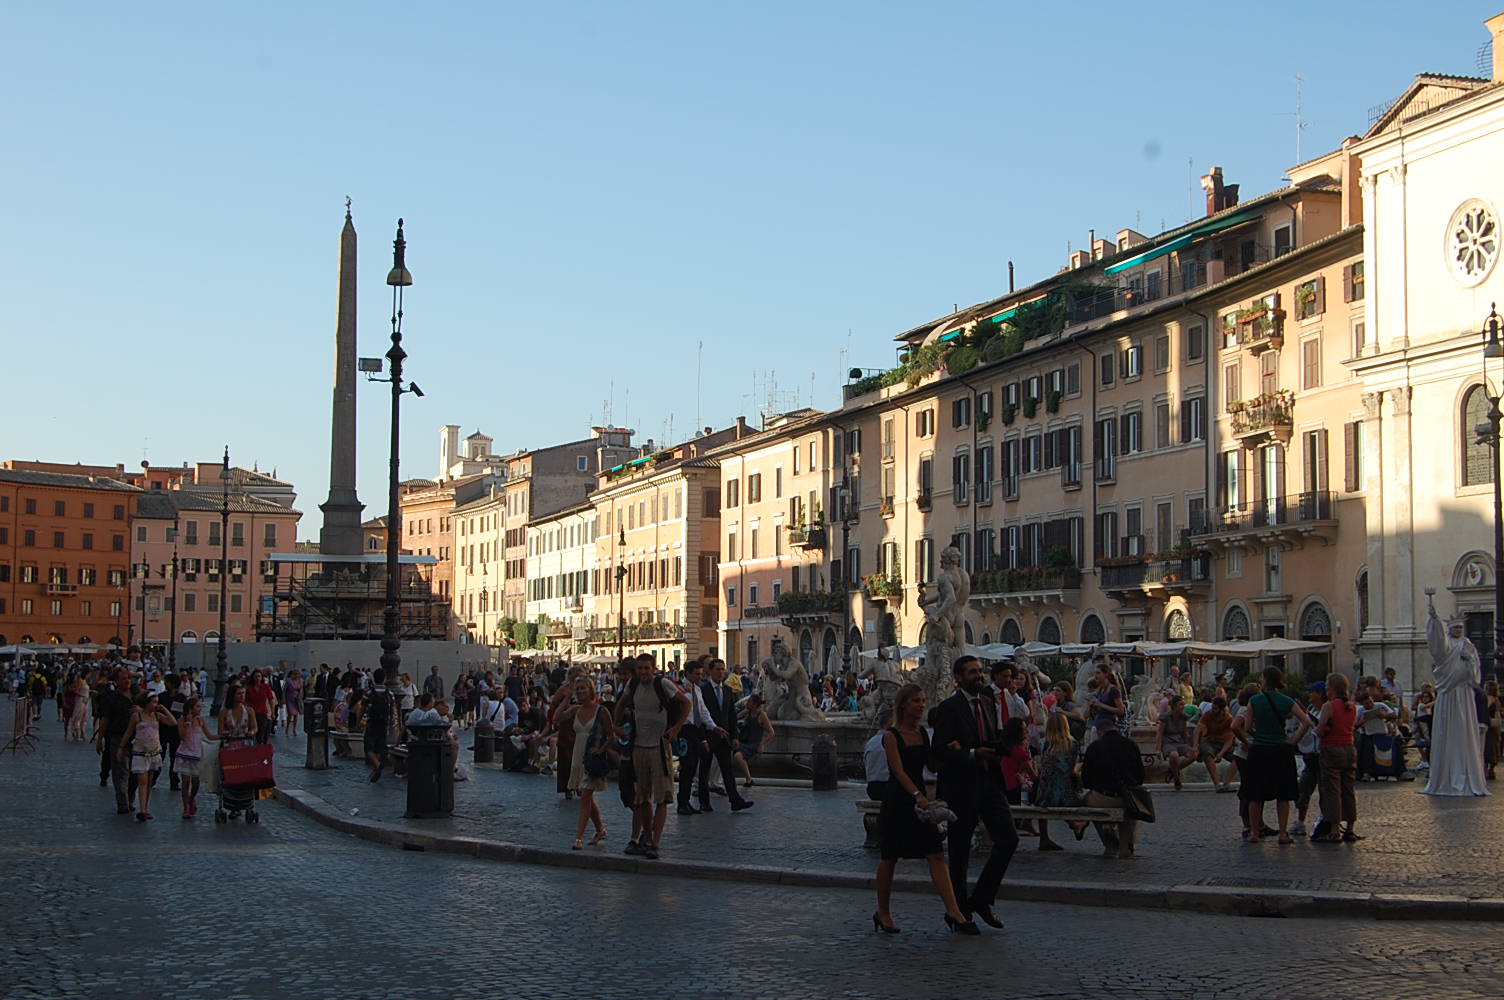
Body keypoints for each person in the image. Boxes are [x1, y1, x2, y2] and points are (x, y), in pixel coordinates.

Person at [873, 683, 973, 935]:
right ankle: (883, 912)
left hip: (920, 804)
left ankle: (954, 912)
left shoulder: (922, 734)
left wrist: (948, 752)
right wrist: (917, 794)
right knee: (889, 857)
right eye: (916, 700)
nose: (921, 705)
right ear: (904, 704)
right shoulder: (891, 736)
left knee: (936, 853)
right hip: (898, 801)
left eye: (923, 700)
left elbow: (932, 766)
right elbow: (897, 770)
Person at [928, 654, 1017, 931]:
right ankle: (959, 911)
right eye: (971, 672)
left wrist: (1001, 747)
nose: (978, 676)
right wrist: (970, 753)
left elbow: (987, 737)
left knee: (1008, 839)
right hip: (960, 785)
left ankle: (982, 898)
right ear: (958, 678)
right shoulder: (948, 708)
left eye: (980, 671)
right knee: (960, 850)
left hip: (989, 781)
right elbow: (938, 752)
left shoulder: (989, 702)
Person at [613, 653, 689, 860]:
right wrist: (616, 727)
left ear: (654, 668)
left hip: (659, 745)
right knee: (641, 796)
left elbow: (685, 703)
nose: (643, 672)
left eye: (647, 668)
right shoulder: (633, 684)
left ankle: (655, 842)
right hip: (638, 745)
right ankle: (645, 837)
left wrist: (676, 728)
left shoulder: (663, 684)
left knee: (662, 797)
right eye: (640, 669)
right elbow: (620, 704)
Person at [1236, 666, 1312, 844]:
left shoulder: (1254, 700)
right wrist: (1293, 741)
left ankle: (1255, 832)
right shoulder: (1286, 700)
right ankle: (1283, 833)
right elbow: (1306, 722)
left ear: (1265, 680)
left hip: (1259, 750)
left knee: (1256, 794)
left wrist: (1257, 734)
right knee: (1283, 794)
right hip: (1281, 749)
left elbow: (1246, 728)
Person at [1421, 606, 1491, 796]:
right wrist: (1434, 620)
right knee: (1447, 732)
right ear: (1449, 629)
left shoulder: (1469, 645)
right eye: (1455, 628)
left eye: (1461, 627)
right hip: (1448, 693)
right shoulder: (1447, 645)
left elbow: (1476, 674)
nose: (1458, 631)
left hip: (1464, 694)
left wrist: (1469, 660)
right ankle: (1447, 774)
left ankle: (1466, 773)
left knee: (1464, 732)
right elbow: (1437, 647)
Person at [558, 676, 616, 850]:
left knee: (585, 796)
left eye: (583, 688)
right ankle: (600, 829)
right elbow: (558, 718)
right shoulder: (575, 710)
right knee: (587, 796)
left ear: (591, 690)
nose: (580, 692)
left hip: (592, 758)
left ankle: (579, 837)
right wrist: (566, 698)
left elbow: (611, 735)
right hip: (578, 756)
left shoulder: (601, 711)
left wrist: (601, 750)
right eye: (578, 689)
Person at [1081, 715, 1145, 858]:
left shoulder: (1095, 747)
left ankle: (1109, 841)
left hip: (1103, 797)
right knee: (1131, 806)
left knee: (1087, 801)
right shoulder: (1131, 744)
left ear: (1100, 732)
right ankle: (1125, 844)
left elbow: (1086, 779)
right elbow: (1140, 775)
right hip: (1127, 797)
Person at [698, 658, 755, 814]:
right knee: (704, 771)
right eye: (717, 669)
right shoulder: (703, 690)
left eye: (723, 669)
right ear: (710, 671)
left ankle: (735, 800)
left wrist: (734, 736)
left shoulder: (727, 690)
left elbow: (731, 715)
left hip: (724, 737)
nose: (721, 672)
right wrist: (702, 737)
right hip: (709, 736)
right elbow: (700, 716)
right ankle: (704, 802)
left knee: (727, 770)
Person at [1313, 672, 1359, 843]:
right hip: (1349, 747)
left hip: (1331, 748)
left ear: (1331, 688)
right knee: (1348, 790)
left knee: (1332, 790)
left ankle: (1334, 830)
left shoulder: (1329, 706)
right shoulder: (1351, 706)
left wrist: (1317, 728)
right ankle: (1350, 828)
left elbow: (1320, 728)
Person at [118, 691, 177, 821]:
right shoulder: (137, 716)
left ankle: (145, 807)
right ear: (146, 702)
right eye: (154, 702)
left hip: (154, 752)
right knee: (142, 781)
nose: (156, 705)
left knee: (149, 782)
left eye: (157, 702)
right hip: (140, 752)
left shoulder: (157, 715)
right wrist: (120, 748)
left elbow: (173, 723)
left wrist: (164, 709)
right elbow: (128, 733)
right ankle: (143, 810)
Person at [1033, 712, 1087, 850]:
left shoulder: (1043, 743)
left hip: (1044, 794)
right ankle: (1076, 824)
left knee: (1043, 792)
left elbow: (1043, 767)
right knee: (1078, 798)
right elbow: (1071, 769)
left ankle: (1044, 838)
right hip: (1065, 792)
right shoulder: (1073, 744)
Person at [96, 670, 137, 814]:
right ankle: (122, 803)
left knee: (135, 772)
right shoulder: (111, 698)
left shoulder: (137, 696)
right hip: (117, 737)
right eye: (124, 678)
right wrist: (100, 739)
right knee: (120, 771)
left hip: (137, 739)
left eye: (129, 678)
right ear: (117, 681)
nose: (127, 681)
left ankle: (130, 798)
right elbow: (105, 719)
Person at [676, 660, 712, 815]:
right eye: (696, 674)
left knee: (692, 768)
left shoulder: (697, 690)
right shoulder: (678, 688)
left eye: (700, 674)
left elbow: (703, 711)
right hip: (683, 730)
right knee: (687, 766)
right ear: (688, 673)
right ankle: (682, 802)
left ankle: (686, 801)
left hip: (696, 730)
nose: (699, 677)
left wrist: (714, 726)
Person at [174, 697, 217, 819]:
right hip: (185, 753)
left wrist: (221, 736)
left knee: (196, 781)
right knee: (186, 782)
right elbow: (182, 736)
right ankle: (186, 807)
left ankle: (192, 798)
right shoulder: (181, 720)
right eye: (198, 706)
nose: (200, 709)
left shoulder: (201, 721)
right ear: (190, 708)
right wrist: (187, 722)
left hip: (197, 753)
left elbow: (209, 736)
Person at [1292, 682, 1326, 836]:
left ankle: (1327, 821)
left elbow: (1321, 728)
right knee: (1303, 790)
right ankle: (1300, 822)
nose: (1309, 695)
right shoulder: (1310, 710)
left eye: (1311, 692)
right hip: (1310, 756)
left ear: (1319, 694)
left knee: (1326, 791)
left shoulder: (1325, 710)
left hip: (1323, 755)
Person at [1156, 694, 1197, 790]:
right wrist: (1158, 749)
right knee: (1174, 756)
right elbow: (1159, 733)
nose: (1183, 707)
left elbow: (1184, 732)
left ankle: (1173, 770)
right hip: (1168, 743)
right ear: (1174, 706)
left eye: (1183, 704)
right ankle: (1176, 779)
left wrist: (1188, 745)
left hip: (1180, 742)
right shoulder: (1165, 717)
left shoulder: (1183, 717)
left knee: (1193, 755)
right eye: (1181, 704)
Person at [1195, 696, 1235, 791]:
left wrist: (1221, 754)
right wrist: (1195, 746)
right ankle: (1217, 784)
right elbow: (1198, 730)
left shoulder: (1229, 719)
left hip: (1223, 743)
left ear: (1222, 710)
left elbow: (1229, 740)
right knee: (1207, 753)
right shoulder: (1208, 715)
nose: (1213, 710)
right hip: (1210, 740)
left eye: (1215, 709)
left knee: (1238, 757)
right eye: (1212, 707)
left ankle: (1226, 783)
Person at [734, 693, 773, 786]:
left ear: (755, 704)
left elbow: (771, 732)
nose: (747, 703)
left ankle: (749, 779)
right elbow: (735, 718)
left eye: (749, 702)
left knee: (738, 756)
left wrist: (762, 744)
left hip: (754, 744)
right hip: (744, 741)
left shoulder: (762, 715)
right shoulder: (748, 712)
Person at [364, 685, 392, 782]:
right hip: (383, 724)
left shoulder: (368, 692)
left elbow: (362, 707)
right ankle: (376, 769)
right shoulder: (389, 693)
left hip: (371, 723)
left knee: (369, 748)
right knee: (379, 748)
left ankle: (377, 765)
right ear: (384, 679)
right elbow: (393, 709)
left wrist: (359, 720)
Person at [244, 669, 277, 745]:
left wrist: (272, 712)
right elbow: (245, 701)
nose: (257, 678)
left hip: (262, 713)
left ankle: (260, 746)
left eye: (259, 676)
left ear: (262, 677)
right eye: (256, 676)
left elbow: (271, 700)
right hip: (251, 713)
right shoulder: (248, 688)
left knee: (262, 732)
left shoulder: (265, 687)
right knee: (251, 732)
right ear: (252, 678)